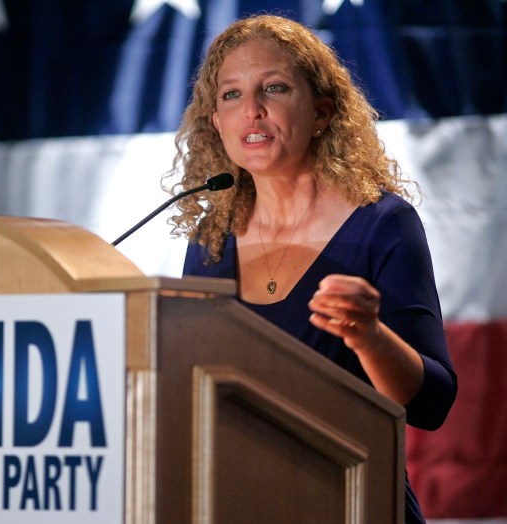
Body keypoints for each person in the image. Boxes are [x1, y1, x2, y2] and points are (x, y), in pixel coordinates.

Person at [167, 14, 457, 523]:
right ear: (216, 124)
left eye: (274, 88)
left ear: (321, 112)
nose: (252, 110)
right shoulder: (211, 240)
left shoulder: (382, 224)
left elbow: (432, 405)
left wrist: (369, 337)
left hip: (353, 502)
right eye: (231, 95)